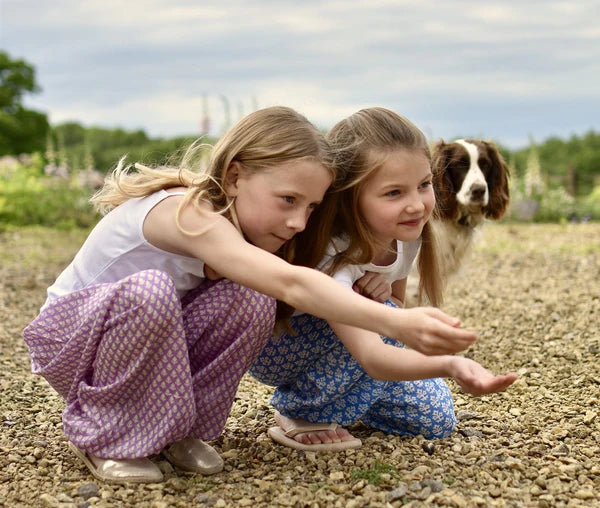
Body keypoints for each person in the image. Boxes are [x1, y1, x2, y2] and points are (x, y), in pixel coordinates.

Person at [22, 106, 481, 484]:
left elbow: (284, 285)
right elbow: (291, 282)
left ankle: (175, 430)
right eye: (288, 201)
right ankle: (108, 436)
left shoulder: (252, 230)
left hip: (148, 346)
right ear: (237, 176)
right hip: (72, 343)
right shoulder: (188, 214)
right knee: (152, 290)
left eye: (312, 207)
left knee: (249, 298)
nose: (300, 222)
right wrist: (397, 321)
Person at [250, 107, 517, 451]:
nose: (417, 205)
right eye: (394, 193)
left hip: (353, 348)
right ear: (350, 196)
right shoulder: (335, 252)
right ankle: (300, 411)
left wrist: (385, 309)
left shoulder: (407, 237)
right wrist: (451, 363)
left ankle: (346, 398)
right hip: (287, 350)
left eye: (423, 186)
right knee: (390, 319)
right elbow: (378, 349)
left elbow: (395, 312)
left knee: (435, 420)